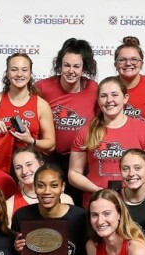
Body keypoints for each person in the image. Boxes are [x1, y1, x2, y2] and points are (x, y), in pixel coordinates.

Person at [69, 76, 145, 206]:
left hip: (134, 204)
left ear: (125, 98)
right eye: (103, 96)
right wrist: (99, 192)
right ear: (98, 100)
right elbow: (74, 173)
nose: (109, 100)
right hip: (97, 204)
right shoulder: (86, 131)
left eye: (114, 95)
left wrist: (132, 192)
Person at [36, 38, 99, 203]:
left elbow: (102, 123)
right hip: (49, 157)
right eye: (67, 65)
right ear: (60, 65)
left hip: (80, 159)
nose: (71, 71)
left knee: (77, 205)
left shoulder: (94, 89)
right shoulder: (43, 87)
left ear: (84, 67)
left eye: (76, 66)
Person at [0, 53, 56, 154]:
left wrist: (31, 141)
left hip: (29, 165)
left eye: (24, 70)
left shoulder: (41, 105)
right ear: (7, 74)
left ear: (30, 74)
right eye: (14, 69)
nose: (19, 74)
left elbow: (51, 145)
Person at [7, 146, 73, 221]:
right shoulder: (10, 205)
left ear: (41, 164)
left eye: (29, 164)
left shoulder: (65, 200)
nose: (24, 171)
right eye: (18, 167)